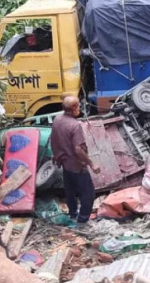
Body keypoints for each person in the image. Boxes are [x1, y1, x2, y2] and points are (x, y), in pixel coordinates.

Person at [49, 96, 101, 225]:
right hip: (77, 165)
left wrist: (56, 155)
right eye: (78, 106)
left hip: (65, 163)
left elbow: (53, 138)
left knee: (70, 191)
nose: (79, 108)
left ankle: (73, 214)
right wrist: (92, 163)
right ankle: (83, 220)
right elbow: (78, 149)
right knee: (88, 194)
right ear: (74, 108)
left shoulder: (57, 119)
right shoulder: (75, 125)